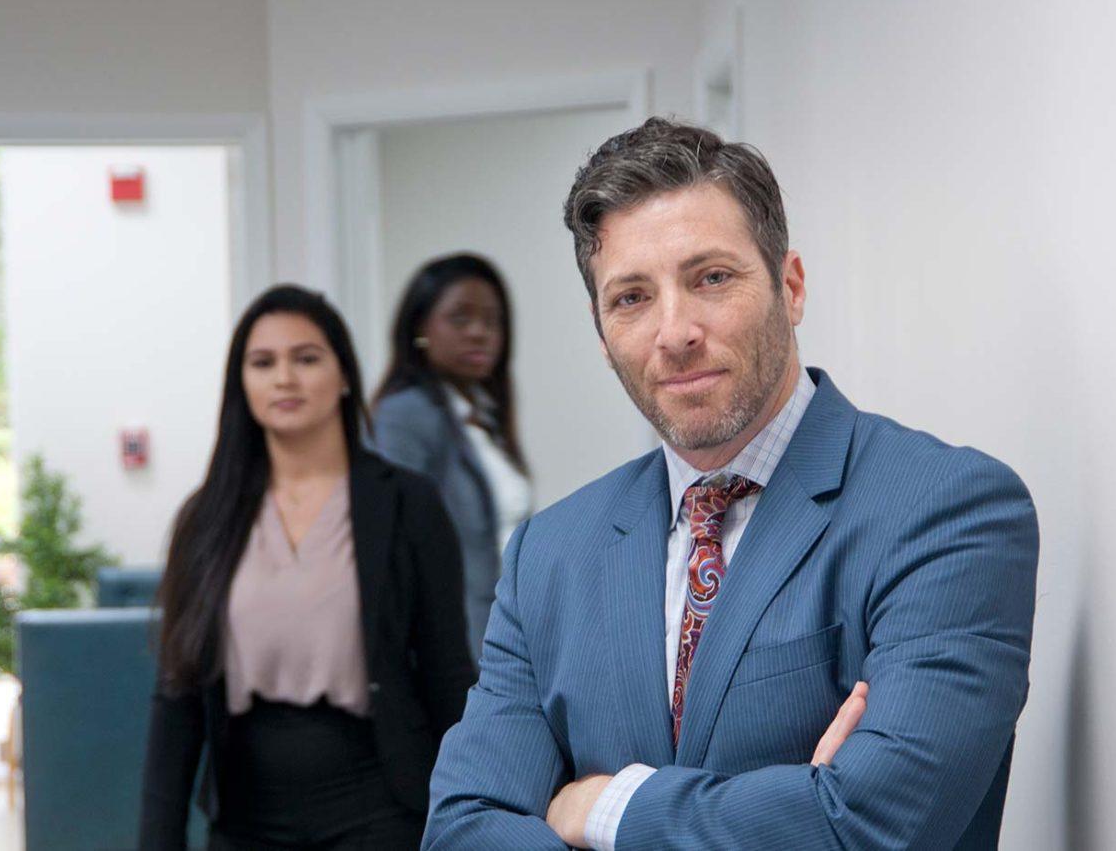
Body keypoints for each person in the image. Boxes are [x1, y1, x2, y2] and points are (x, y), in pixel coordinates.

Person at [423, 119, 1039, 850]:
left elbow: (869, 827)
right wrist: (793, 808)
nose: (674, 331)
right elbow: (462, 829)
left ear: (791, 285)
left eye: (711, 278)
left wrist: (603, 809)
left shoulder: (946, 509)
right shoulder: (548, 556)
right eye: (631, 298)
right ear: (601, 332)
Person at [138, 285, 475, 851]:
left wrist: (476, 814)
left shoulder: (408, 504)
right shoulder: (207, 517)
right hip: (245, 813)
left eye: (306, 358)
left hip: (380, 803)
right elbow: (177, 697)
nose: (284, 378)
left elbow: (448, 675)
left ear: (344, 375)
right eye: (263, 363)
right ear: (241, 384)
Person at [372, 253, 533, 663]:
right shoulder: (405, 414)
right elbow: (395, 547)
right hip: (449, 648)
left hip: (504, 634)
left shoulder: (483, 415)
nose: (480, 332)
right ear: (420, 327)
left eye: (493, 321)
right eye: (460, 318)